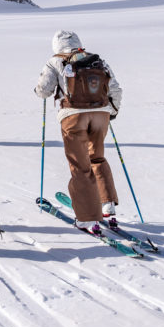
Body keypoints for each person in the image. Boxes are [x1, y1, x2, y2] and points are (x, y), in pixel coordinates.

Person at [34, 30, 122, 233]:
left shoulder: (55, 61)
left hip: (73, 117)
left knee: (80, 166)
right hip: (101, 115)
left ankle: (87, 219)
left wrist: (38, 91)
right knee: (97, 158)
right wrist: (112, 111)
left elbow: (44, 90)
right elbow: (115, 89)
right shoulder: (97, 61)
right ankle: (107, 203)